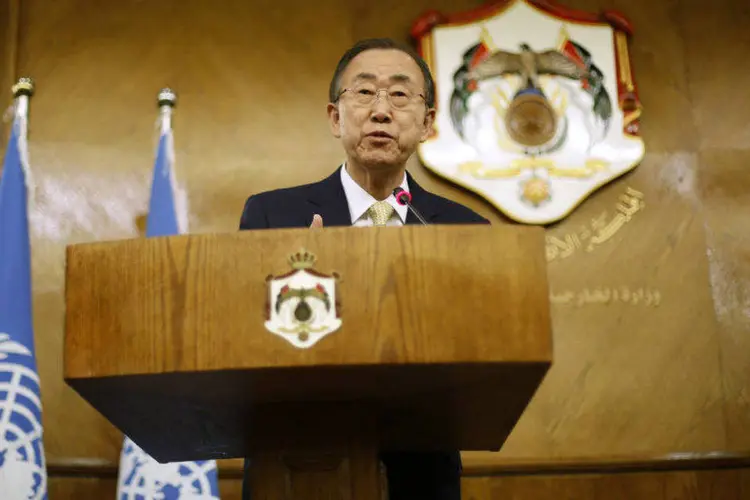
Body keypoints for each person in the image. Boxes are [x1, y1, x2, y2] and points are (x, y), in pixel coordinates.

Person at [239, 37, 489, 500]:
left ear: (428, 122)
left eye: (399, 95)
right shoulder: (273, 216)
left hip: (422, 473)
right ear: (336, 117)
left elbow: (479, 361)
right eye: (364, 92)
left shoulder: (465, 230)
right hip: (297, 466)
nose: (381, 111)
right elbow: (244, 346)